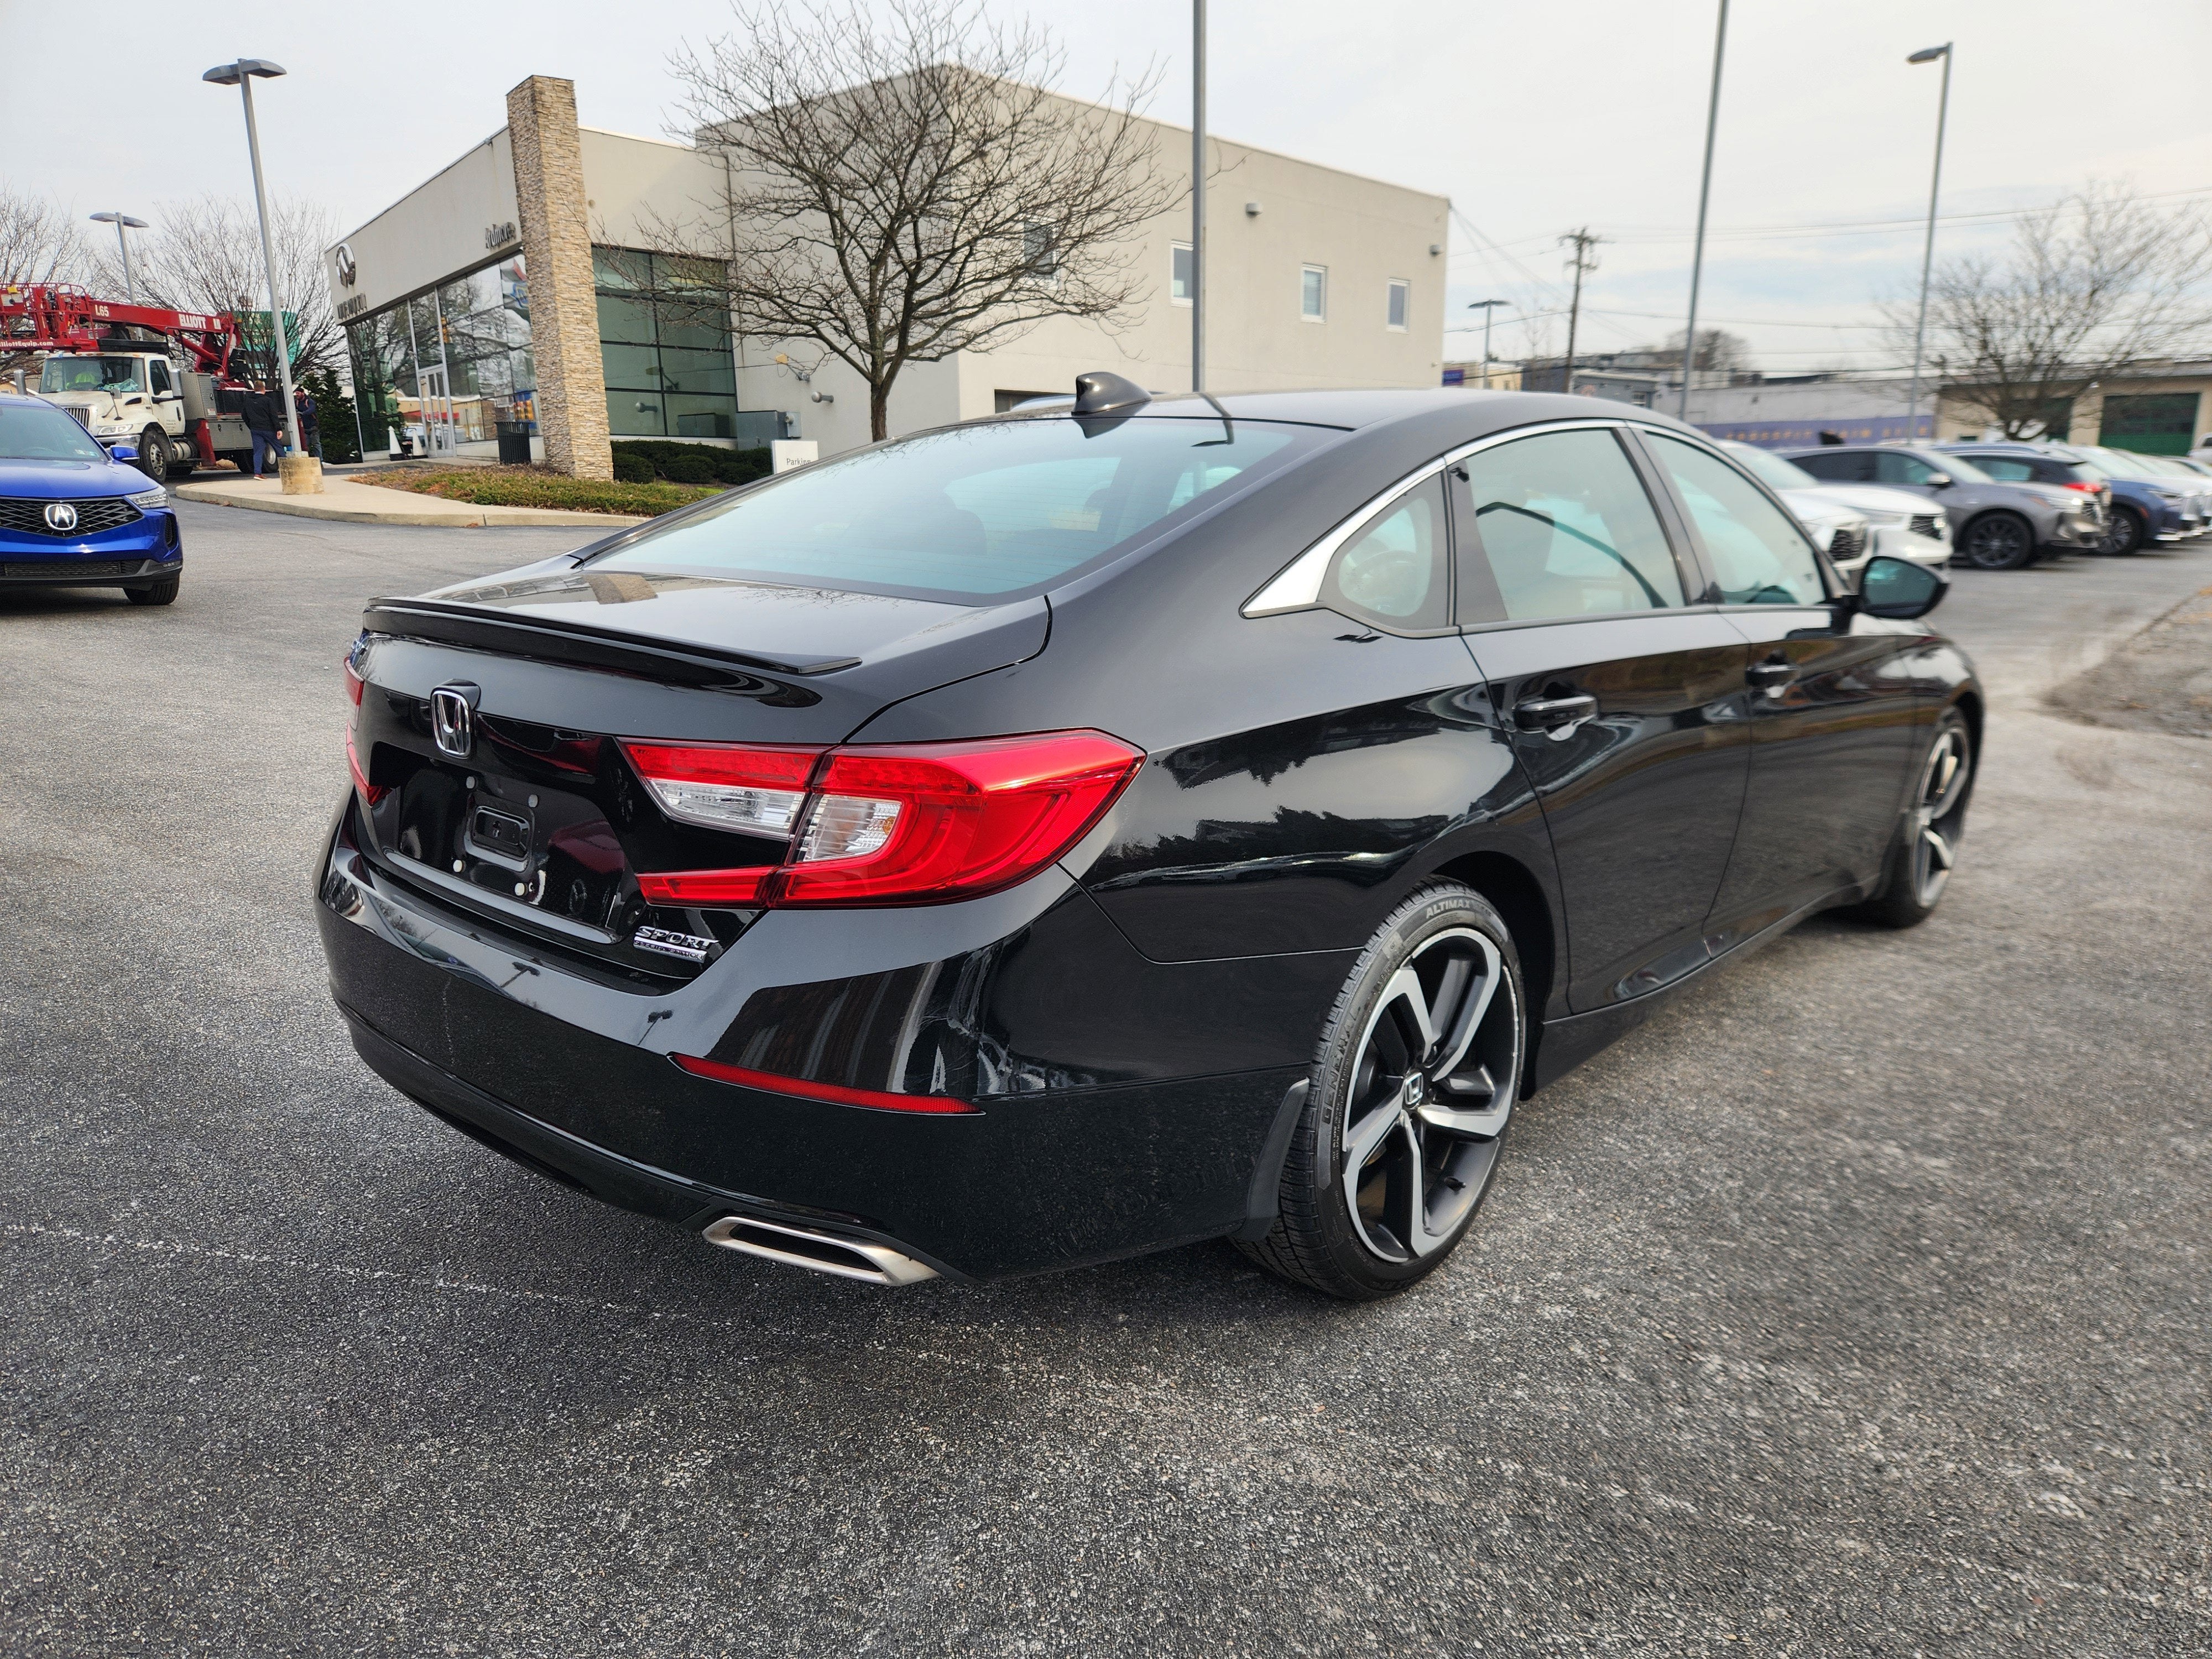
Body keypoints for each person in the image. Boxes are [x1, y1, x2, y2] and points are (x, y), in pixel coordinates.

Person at [242, 380, 280, 478]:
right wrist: (278, 429)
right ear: (264, 389)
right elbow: (273, 415)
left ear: (254, 389)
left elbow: (244, 415)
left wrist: (251, 426)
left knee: (258, 452)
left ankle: (258, 473)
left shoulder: (248, 401)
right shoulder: (267, 400)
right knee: (278, 449)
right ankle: (287, 469)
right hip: (268, 429)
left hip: (255, 429)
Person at [293, 386, 322, 461]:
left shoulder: (309, 401)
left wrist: (303, 413)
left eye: (298, 393)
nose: (297, 395)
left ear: (303, 393)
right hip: (304, 428)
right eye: (296, 393)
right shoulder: (296, 402)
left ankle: (320, 460)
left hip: (313, 426)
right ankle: (307, 460)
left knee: (316, 444)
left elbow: (312, 410)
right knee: (305, 445)